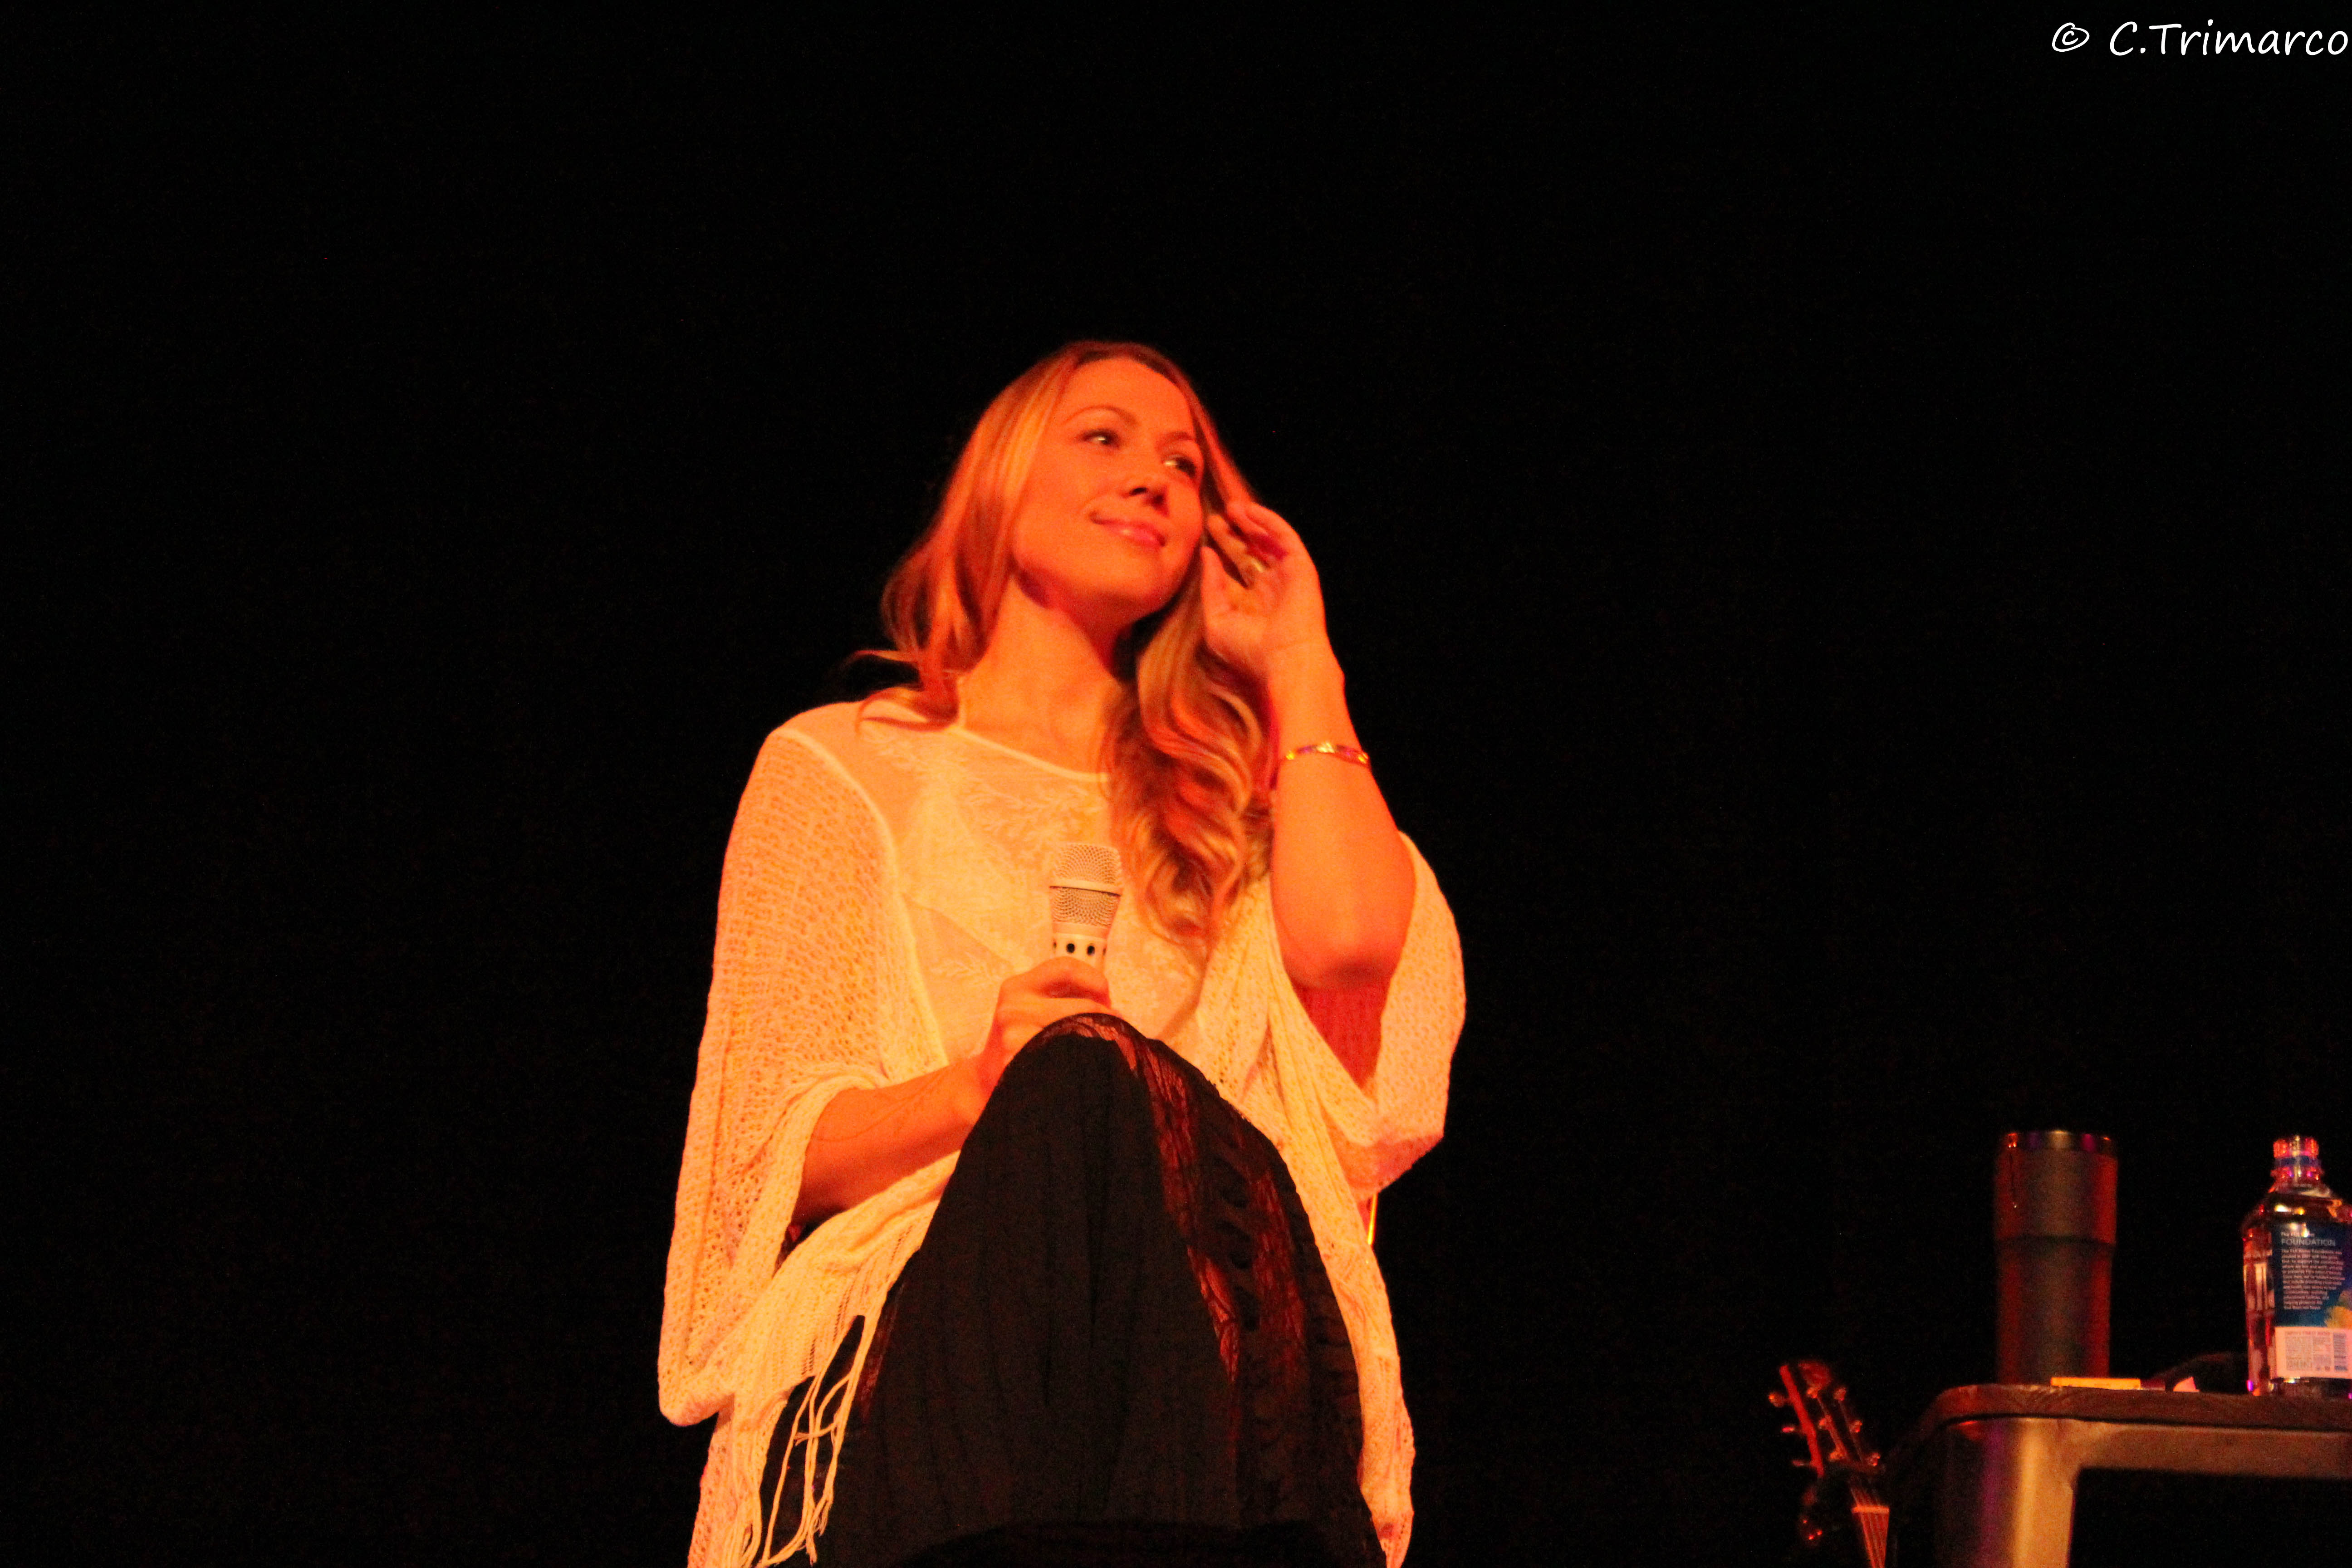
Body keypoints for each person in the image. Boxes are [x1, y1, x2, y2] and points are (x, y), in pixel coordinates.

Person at [659, 343, 1463, 1568]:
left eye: (1184, 465)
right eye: (1104, 437)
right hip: (947, 1349)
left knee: (1105, 1084)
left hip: (1210, 1359)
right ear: (1000, 480)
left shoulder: (1248, 812)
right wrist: (984, 1086)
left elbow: (1354, 947)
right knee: (1081, 1076)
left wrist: (1302, 663)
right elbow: (770, 1160)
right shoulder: (845, 769)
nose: (1152, 478)